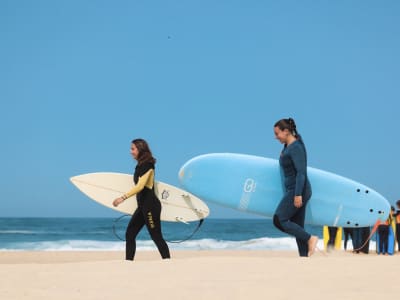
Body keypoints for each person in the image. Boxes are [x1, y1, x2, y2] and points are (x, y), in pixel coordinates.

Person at [113, 138, 170, 261]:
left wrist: (122, 198)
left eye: (133, 149)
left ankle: (168, 261)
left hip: (150, 206)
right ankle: (128, 262)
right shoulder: (139, 165)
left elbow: (140, 186)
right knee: (130, 234)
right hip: (142, 206)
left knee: (156, 236)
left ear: (140, 149)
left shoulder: (147, 165)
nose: (130, 151)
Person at [272, 118, 318, 257]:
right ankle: (304, 257)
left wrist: (298, 194)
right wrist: (284, 150)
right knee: (298, 226)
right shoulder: (290, 145)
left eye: (277, 133)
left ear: (286, 131)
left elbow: (301, 173)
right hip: (296, 189)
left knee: (279, 219)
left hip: (298, 189)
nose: (275, 137)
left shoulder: (296, 148)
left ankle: (310, 238)